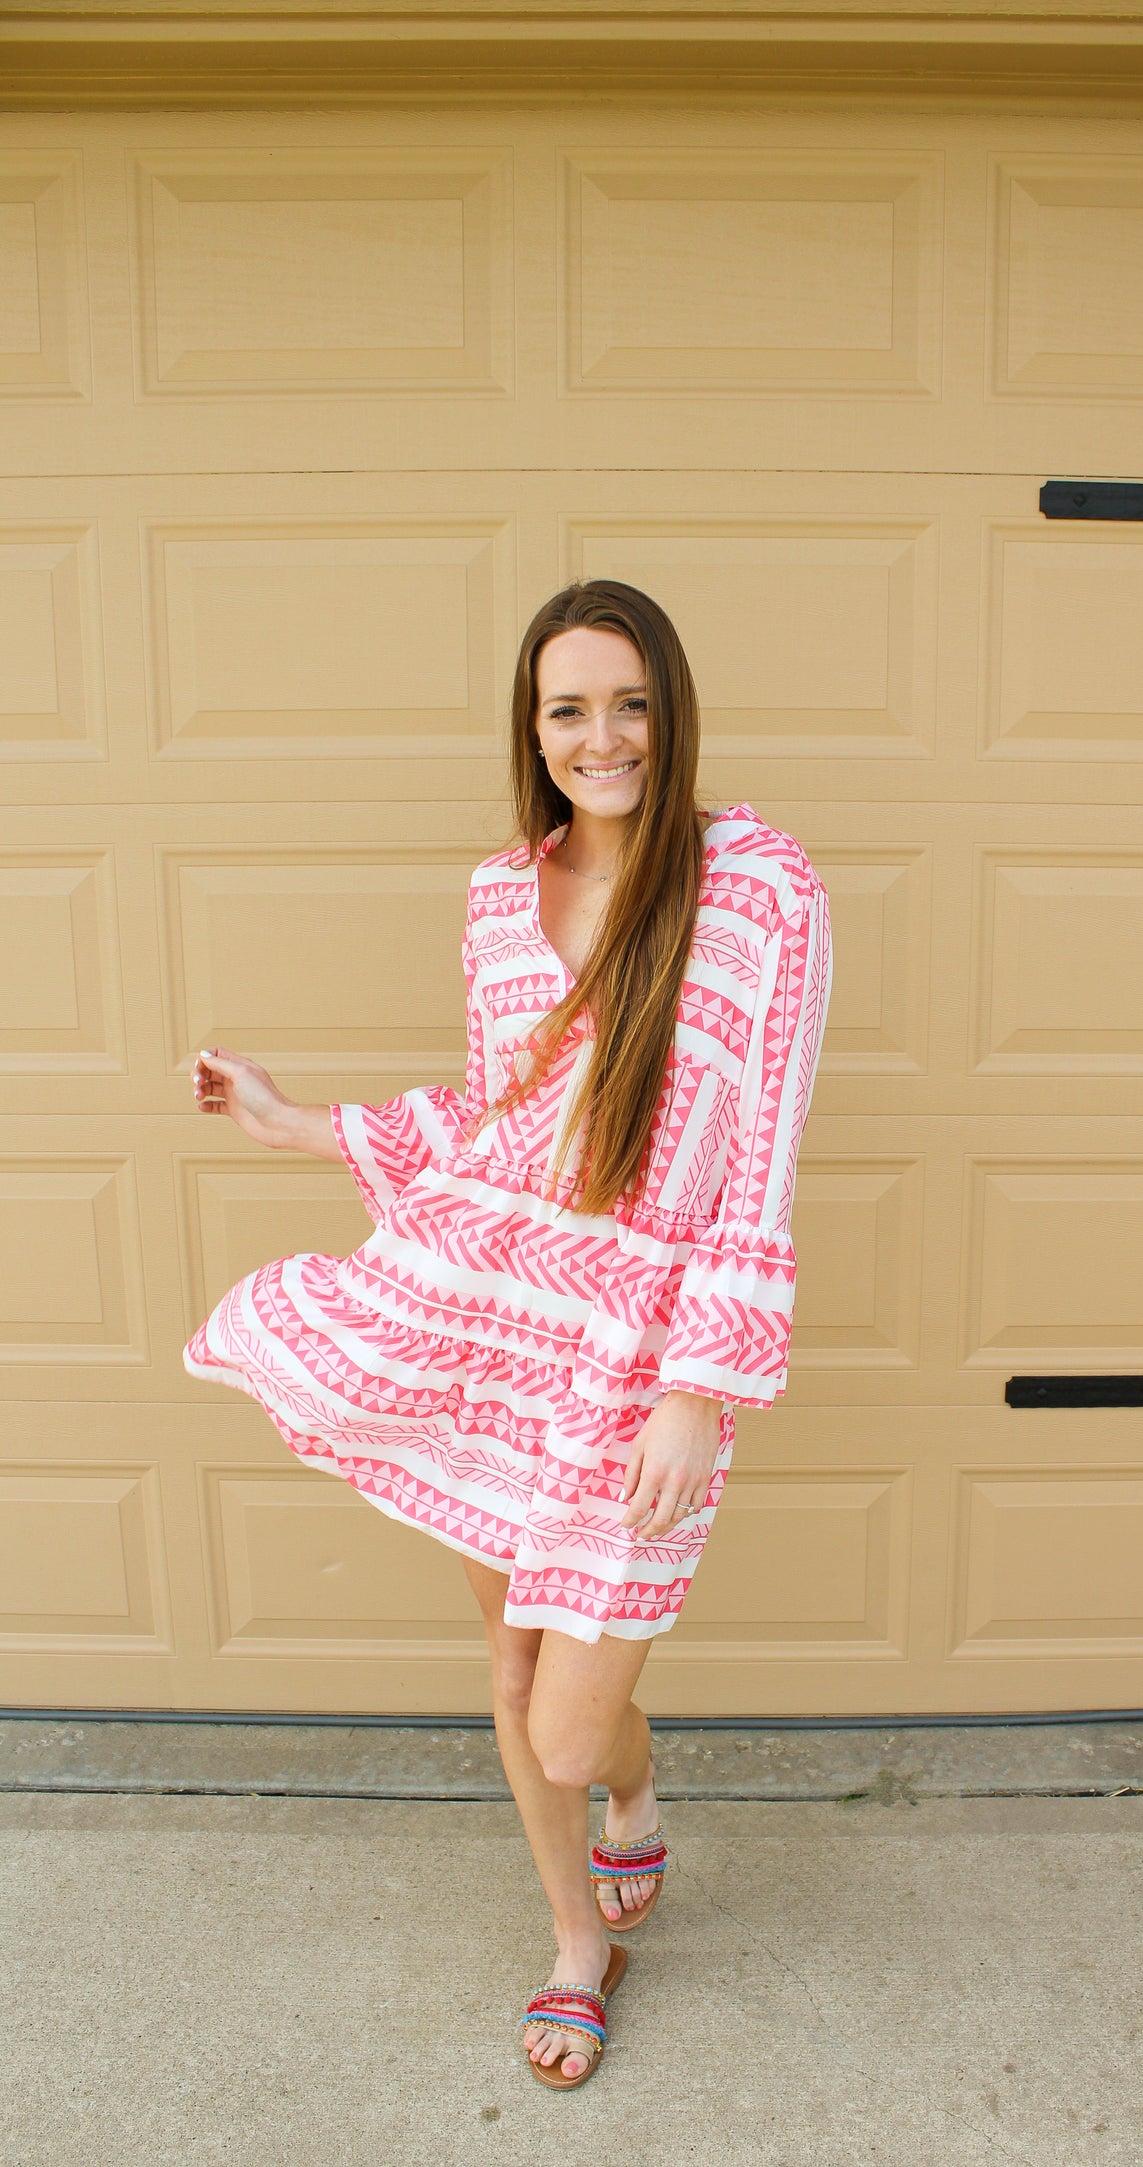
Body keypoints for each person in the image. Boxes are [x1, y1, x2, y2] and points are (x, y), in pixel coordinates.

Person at [184, 579, 832, 2090]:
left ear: (668, 712)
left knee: (567, 1723)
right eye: (566, 709)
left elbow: (765, 1148)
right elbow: (495, 1121)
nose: (599, 737)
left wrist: (699, 1387)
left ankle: (627, 1796)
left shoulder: (758, 883)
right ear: (530, 730)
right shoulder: (497, 892)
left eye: (628, 704)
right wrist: (293, 1128)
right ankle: (574, 1946)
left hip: (641, 1357)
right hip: (488, 1320)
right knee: (503, 1660)